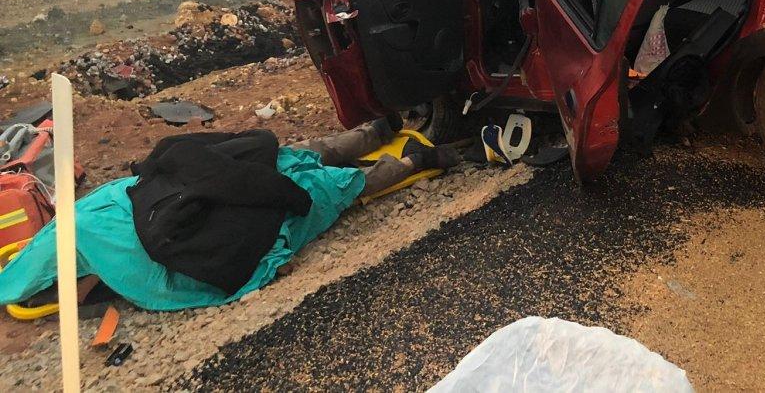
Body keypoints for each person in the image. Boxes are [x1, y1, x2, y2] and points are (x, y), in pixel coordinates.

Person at [0, 121, 461, 312]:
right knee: (315, 161)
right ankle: (380, 134)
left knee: (333, 183)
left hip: (252, 195)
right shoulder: (104, 212)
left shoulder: (104, 235)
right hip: (246, 168)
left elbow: (275, 201)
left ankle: (416, 159)